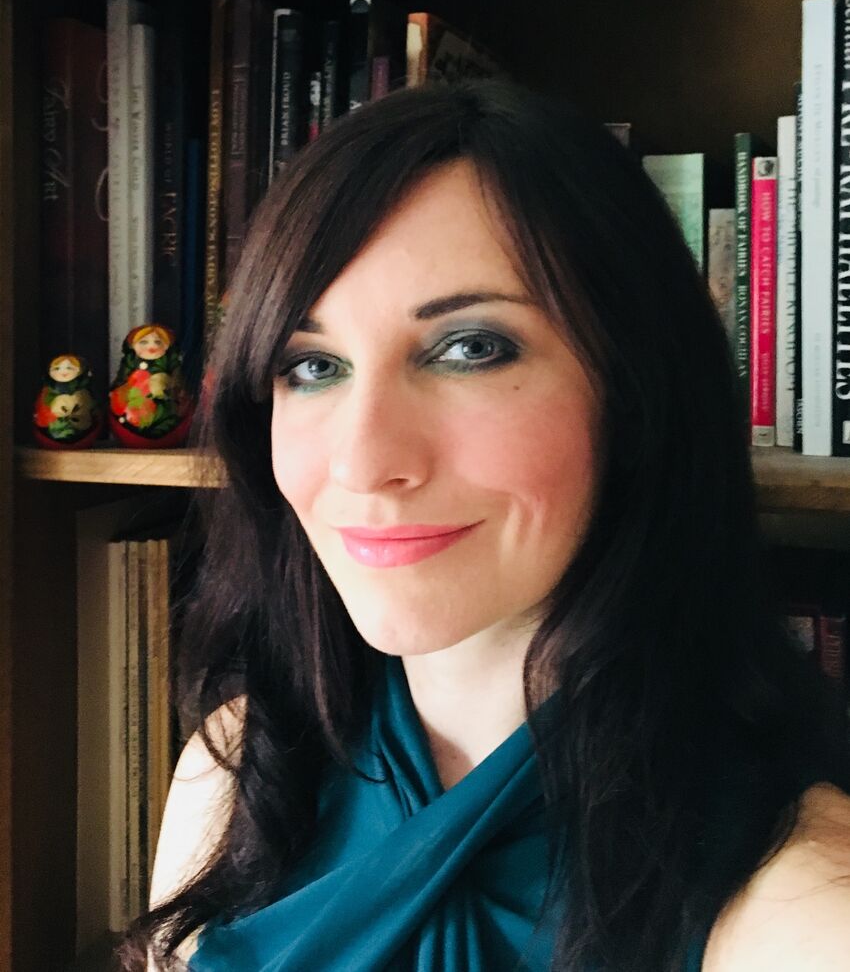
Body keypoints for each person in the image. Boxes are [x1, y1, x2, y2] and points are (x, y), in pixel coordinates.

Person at [121, 80, 850, 972]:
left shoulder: (805, 905)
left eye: (471, 348)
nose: (362, 461)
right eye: (311, 365)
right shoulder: (236, 768)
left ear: (633, 396)